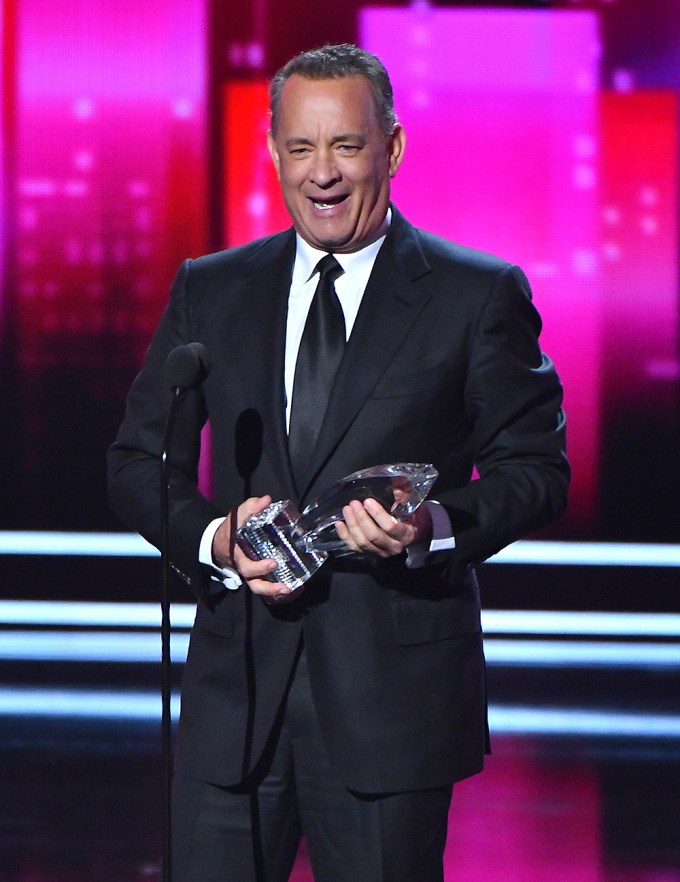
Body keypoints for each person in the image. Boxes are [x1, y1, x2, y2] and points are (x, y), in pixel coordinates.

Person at [108, 43, 569, 882]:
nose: (322, 173)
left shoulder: (476, 295)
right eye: (301, 147)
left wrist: (430, 526)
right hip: (233, 702)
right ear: (275, 151)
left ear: (391, 148)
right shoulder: (212, 290)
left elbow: (535, 471)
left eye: (346, 147)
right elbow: (140, 461)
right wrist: (216, 537)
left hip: (392, 710)